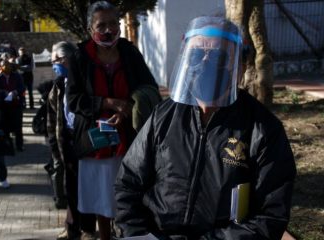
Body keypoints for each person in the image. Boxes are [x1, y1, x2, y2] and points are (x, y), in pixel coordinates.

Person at [114, 16, 297, 239]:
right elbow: (128, 183)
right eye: (196, 54)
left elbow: (271, 215)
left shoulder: (263, 129)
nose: (205, 62)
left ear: (240, 65)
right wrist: (137, 232)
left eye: (218, 56)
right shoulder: (163, 116)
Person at [66, 1, 159, 239]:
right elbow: (74, 100)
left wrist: (126, 109)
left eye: (113, 24)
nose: (108, 30)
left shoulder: (129, 52)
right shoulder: (79, 57)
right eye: (101, 25)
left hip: (128, 140)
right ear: (90, 29)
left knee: (128, 196)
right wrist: (108, 103)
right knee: (100, 200)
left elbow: (148, 87)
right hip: (94, 143)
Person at [47, 41, 97, 240]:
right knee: (71, 187)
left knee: (88, 185)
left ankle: (88, 229)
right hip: (65, 140)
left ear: (66, 60)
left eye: (55, 61)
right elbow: (52, 116)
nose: (54, 65)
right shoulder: (59, 85)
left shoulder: (86, 81)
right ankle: (72, 227)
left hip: (85, 140)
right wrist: (54, 144)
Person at [0, 60, 25, 152]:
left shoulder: (17, 76)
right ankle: (8, 145)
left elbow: (22, 87)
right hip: (4, 106)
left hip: (16, 104)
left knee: (18, 126)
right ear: (0, 67)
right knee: (5, 126)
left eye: (8, 65)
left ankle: (20, 145)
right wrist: (4, 92)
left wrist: (15, 92)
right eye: (4, 65)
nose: (6, 67)